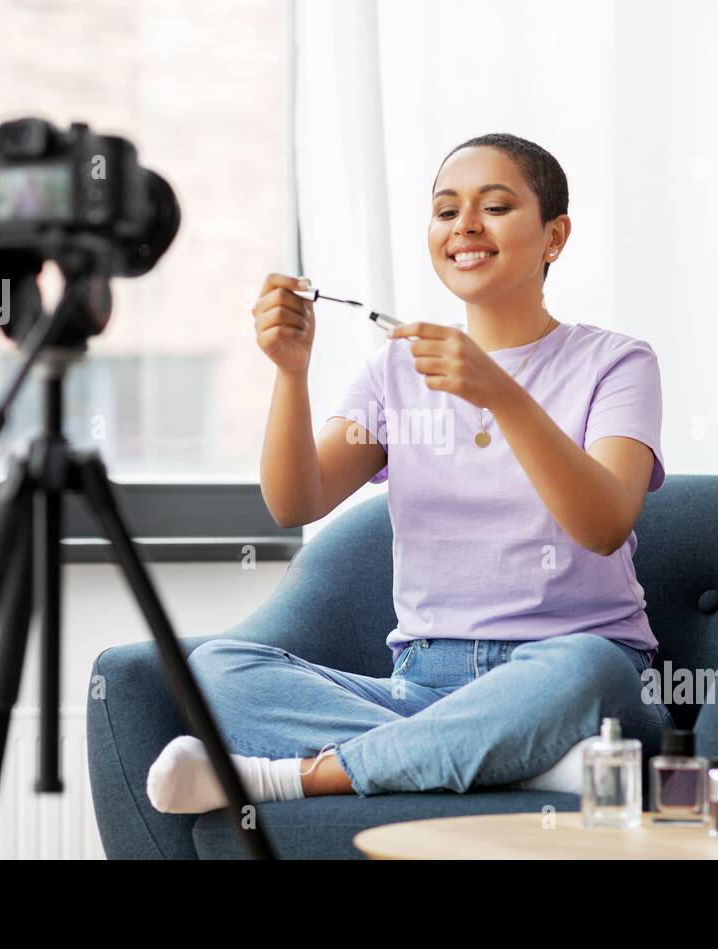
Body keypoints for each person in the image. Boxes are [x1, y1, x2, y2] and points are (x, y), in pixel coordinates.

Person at [146, 132, 673, 814]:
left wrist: (499, 391)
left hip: (566, 669)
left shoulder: (618, 363)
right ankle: (520, 762)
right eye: (447, 209)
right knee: (216, 671)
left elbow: (603, 525)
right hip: (421, 680)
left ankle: (300, 775)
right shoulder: (395, 371)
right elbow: (294, 501)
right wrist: (291, 371)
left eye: (496, 206)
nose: (466, 227)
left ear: (554, 236)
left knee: (586, 667)